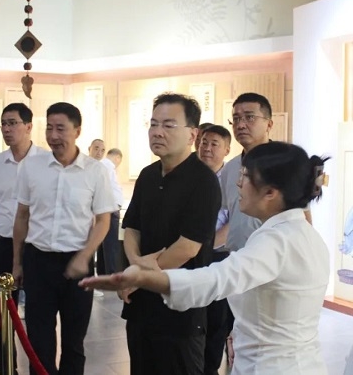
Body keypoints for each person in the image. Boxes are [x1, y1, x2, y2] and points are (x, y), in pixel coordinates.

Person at [81, 141, 331, 375]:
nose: (238, 184)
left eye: (245, 176)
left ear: (270, 192)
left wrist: (143, 278)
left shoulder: (276, 242)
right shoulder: (303, 234)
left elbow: (216, 279)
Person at [120, 92, 221, 375]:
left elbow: (188, 247)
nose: (157, 132)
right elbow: (132, 228)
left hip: (181, 306)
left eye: (168, 125)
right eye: (153, 124)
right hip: (141, 303)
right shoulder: (148, 175)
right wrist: (136, 266)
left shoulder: (203, 181)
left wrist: (139, 274)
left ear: (192, 134)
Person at [12, 102, 116, 375]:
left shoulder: (95, 171)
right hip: (38, 261)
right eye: (49, 128)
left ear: (77, 131)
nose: (53, 135)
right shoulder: (32, 167)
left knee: (74, 341)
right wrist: (17, 263)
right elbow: (22, 216)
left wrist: (85, 256)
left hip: (77, 264)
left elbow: (103, 220)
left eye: (61, 128)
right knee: (39, 339)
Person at [0, 103, 47, 375]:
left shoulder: (46, 161)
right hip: (3, 244)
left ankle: (39, 368)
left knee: (39, 314)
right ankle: (5, 368)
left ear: (29, 126)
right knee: (3, 313)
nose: (7, 129)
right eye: (4, 124)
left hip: (36, 246)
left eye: (13, 123)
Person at [197, 125, 232, 375]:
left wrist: (205, 248)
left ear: (227, 150)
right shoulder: (189, 175)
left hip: (218, 256)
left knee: (216, 320)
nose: (207, 148)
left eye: (214, 144)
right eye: (204, 142)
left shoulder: (232, 180)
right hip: (187, 256)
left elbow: (233, 222)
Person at [222, 93, 273, 252]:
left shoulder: (285, 164)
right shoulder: (230, 168)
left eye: (250, 117)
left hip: (270, 256)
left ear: (269, 124)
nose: (241, 125)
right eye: (236, 119)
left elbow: (302, 217)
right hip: (236, 256)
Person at [97, 148, 124, 275]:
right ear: (117, 158)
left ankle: (103, 272)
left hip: (105, 208)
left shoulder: (102, 165)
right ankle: (111, 274)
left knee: (103, 244)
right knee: (111, 244)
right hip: (110, 209)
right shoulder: (108, 166)